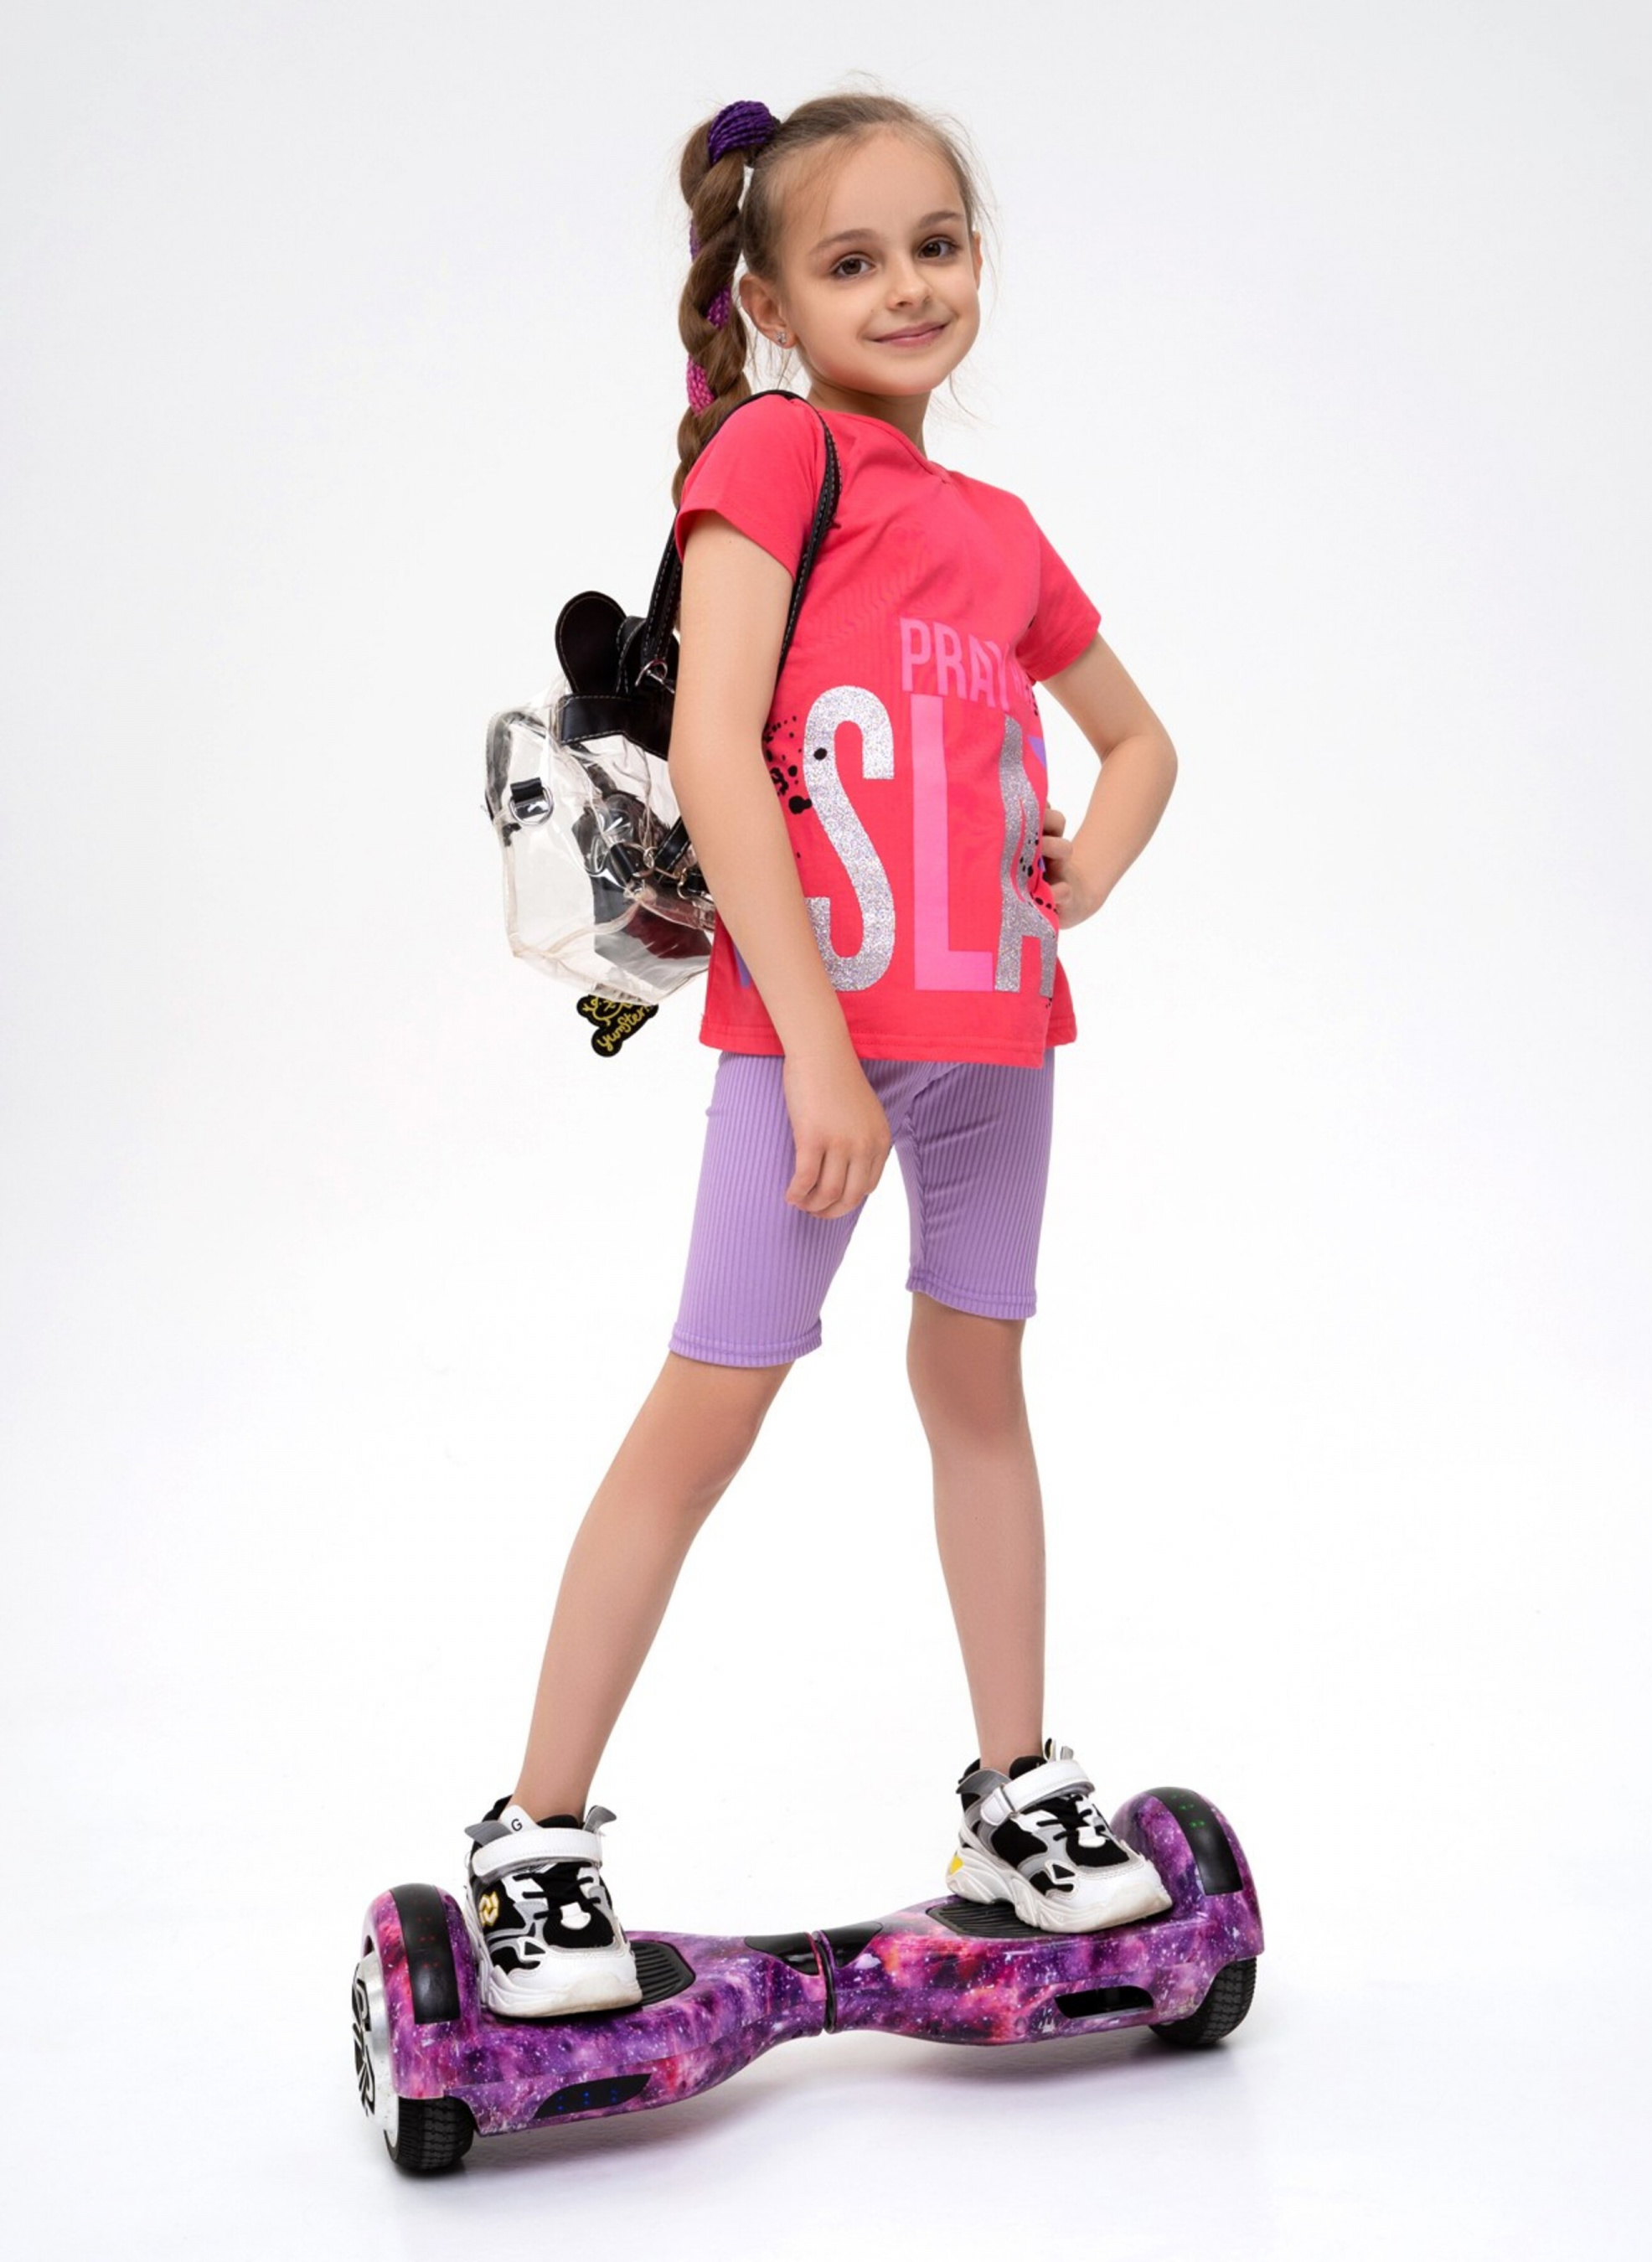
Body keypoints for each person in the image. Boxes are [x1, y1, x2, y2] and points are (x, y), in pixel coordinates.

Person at [463, 90, 1181, 2021]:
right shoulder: (774, 455)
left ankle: (1014, 1794)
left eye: (935, 245)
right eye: (852, 260)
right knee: (709, 1408)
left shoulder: (1002, 533)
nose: (906, 286)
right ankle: (534, 1837)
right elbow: (714, 750)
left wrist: (1085, 871)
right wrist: (817, 1056)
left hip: (999, 1037)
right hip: (819, 1054)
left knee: (977, 1389)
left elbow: (1139, 743)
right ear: (770, 303)